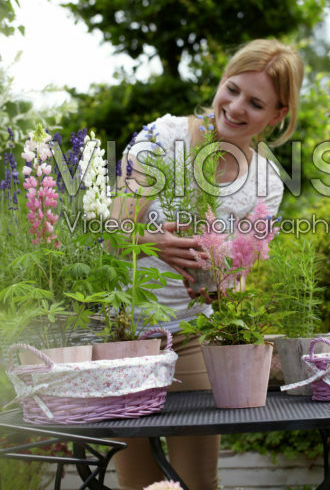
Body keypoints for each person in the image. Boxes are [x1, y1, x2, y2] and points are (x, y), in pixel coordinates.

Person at [110, 38, 304, 490]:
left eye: (255, 103)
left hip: (195, 338)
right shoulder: (165, 137)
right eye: (232, 89)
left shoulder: (266, 183)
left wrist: (222, 285)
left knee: (198, 481)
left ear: (277, 116)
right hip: (126, 336)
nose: (235, 107)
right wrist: (152, 243)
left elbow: (240, 275)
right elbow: (112, 234)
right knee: (138, 483)